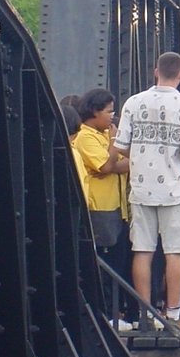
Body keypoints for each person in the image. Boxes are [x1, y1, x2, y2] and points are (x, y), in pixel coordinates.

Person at [113, 52, 180, 335]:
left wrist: (144, 153)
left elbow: (121, 146)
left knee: (142, 251)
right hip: (174, 191)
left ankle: (145, 316)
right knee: (175, 253)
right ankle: (173, 315)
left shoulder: (133, 102)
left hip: (141, 189)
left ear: (155, 72)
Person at [75, 88, 131, 312]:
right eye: (109, 111)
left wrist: (112, 162)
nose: (112, 116)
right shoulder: (85, 137)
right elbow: (106, 165)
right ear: (94, 111)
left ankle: (119, 310)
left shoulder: (105, 135)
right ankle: (107, 311)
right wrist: (115, 144)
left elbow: (129, 162)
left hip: (118, 207)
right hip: (101, 209)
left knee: (120, 261)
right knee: (105, 263)